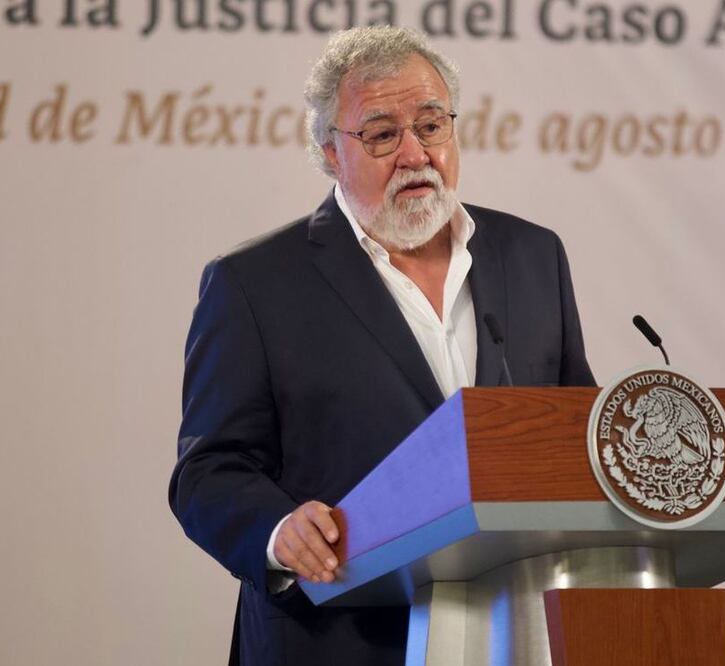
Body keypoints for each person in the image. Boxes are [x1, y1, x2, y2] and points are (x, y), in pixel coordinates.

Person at [169, 26, 595, 666]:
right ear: (330, 152)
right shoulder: (254, 284)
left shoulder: (533, 255)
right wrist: (278, 531)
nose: (415, 153)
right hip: (336, 640)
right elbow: (207, 471)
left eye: (431, 125)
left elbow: (576, 429)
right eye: (381, 134)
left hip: (513, 632)